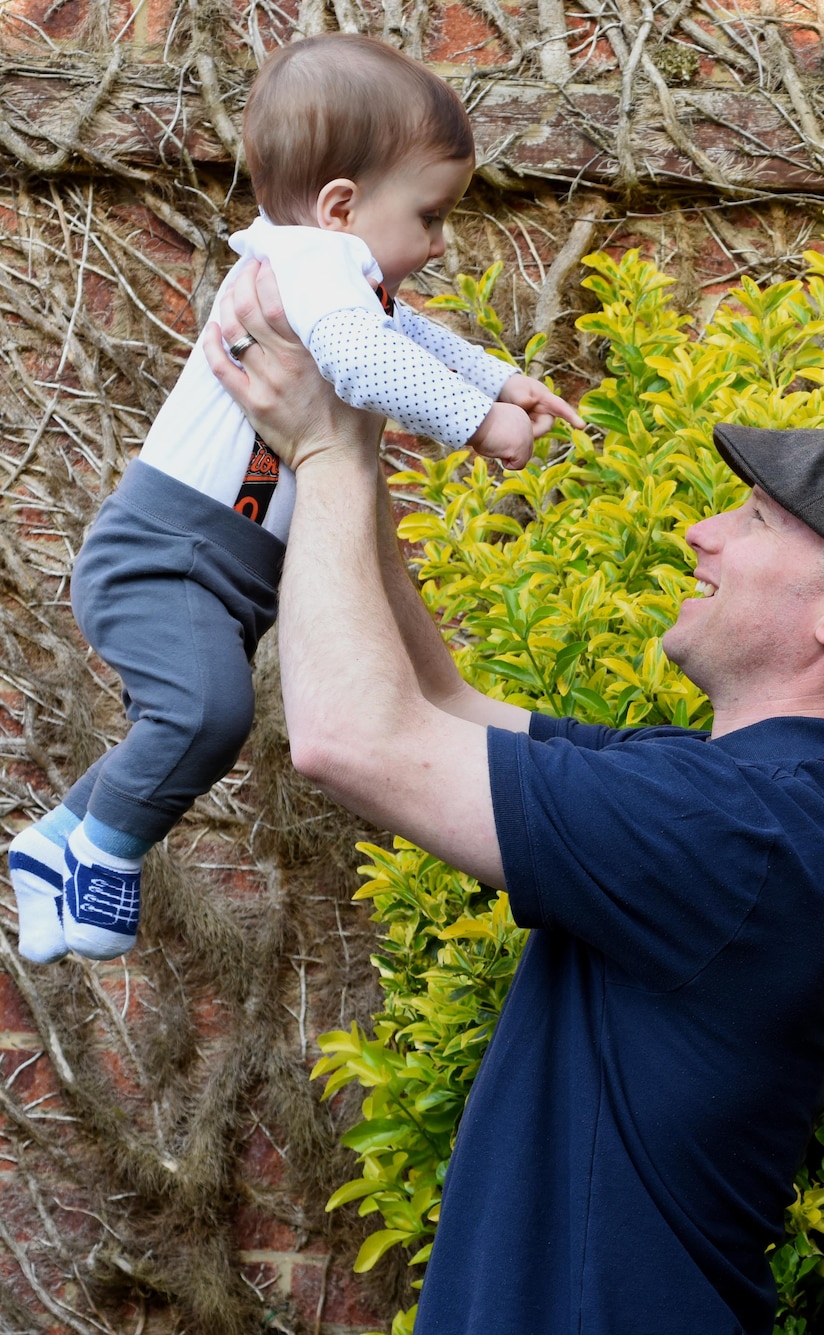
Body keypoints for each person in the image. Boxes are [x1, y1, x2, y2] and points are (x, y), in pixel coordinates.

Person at [200, 262, 824, 1333]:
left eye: (755, 522)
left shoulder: (737, 833)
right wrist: (352, 431)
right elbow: (435, 699)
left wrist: (314, 449)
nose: (701, 533)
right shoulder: (726, 793)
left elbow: (353, 738)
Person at [6, 33, 582, 964]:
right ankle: (106, 854)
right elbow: (364, 359)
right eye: (431, 216)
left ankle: (50, 845)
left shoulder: (332, 275)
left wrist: (502, 376)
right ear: (341, 206)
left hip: (220, 564)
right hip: (169, 553)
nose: (439, 243)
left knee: (185, 722)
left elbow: (406, 334)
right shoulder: (312, 264)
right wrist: (480, 422)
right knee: (206, 716)